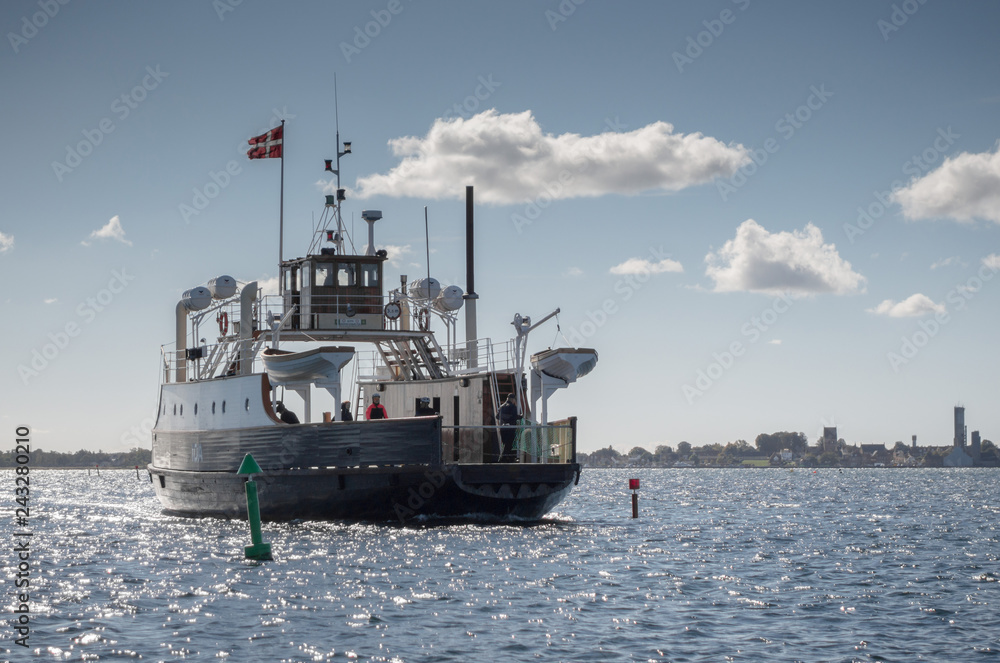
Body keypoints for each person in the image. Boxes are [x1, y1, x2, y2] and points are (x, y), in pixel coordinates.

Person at [498, 393, 520, 463]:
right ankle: (503, 459)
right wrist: (520, 416)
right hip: (510, 429)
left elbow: (497, 416)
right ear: (513, 399)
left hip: (502, 428)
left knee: (505, 444)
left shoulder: (501, 406)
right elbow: (514, 417)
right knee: (509, 444)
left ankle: (506, 459)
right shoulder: (513, 407)